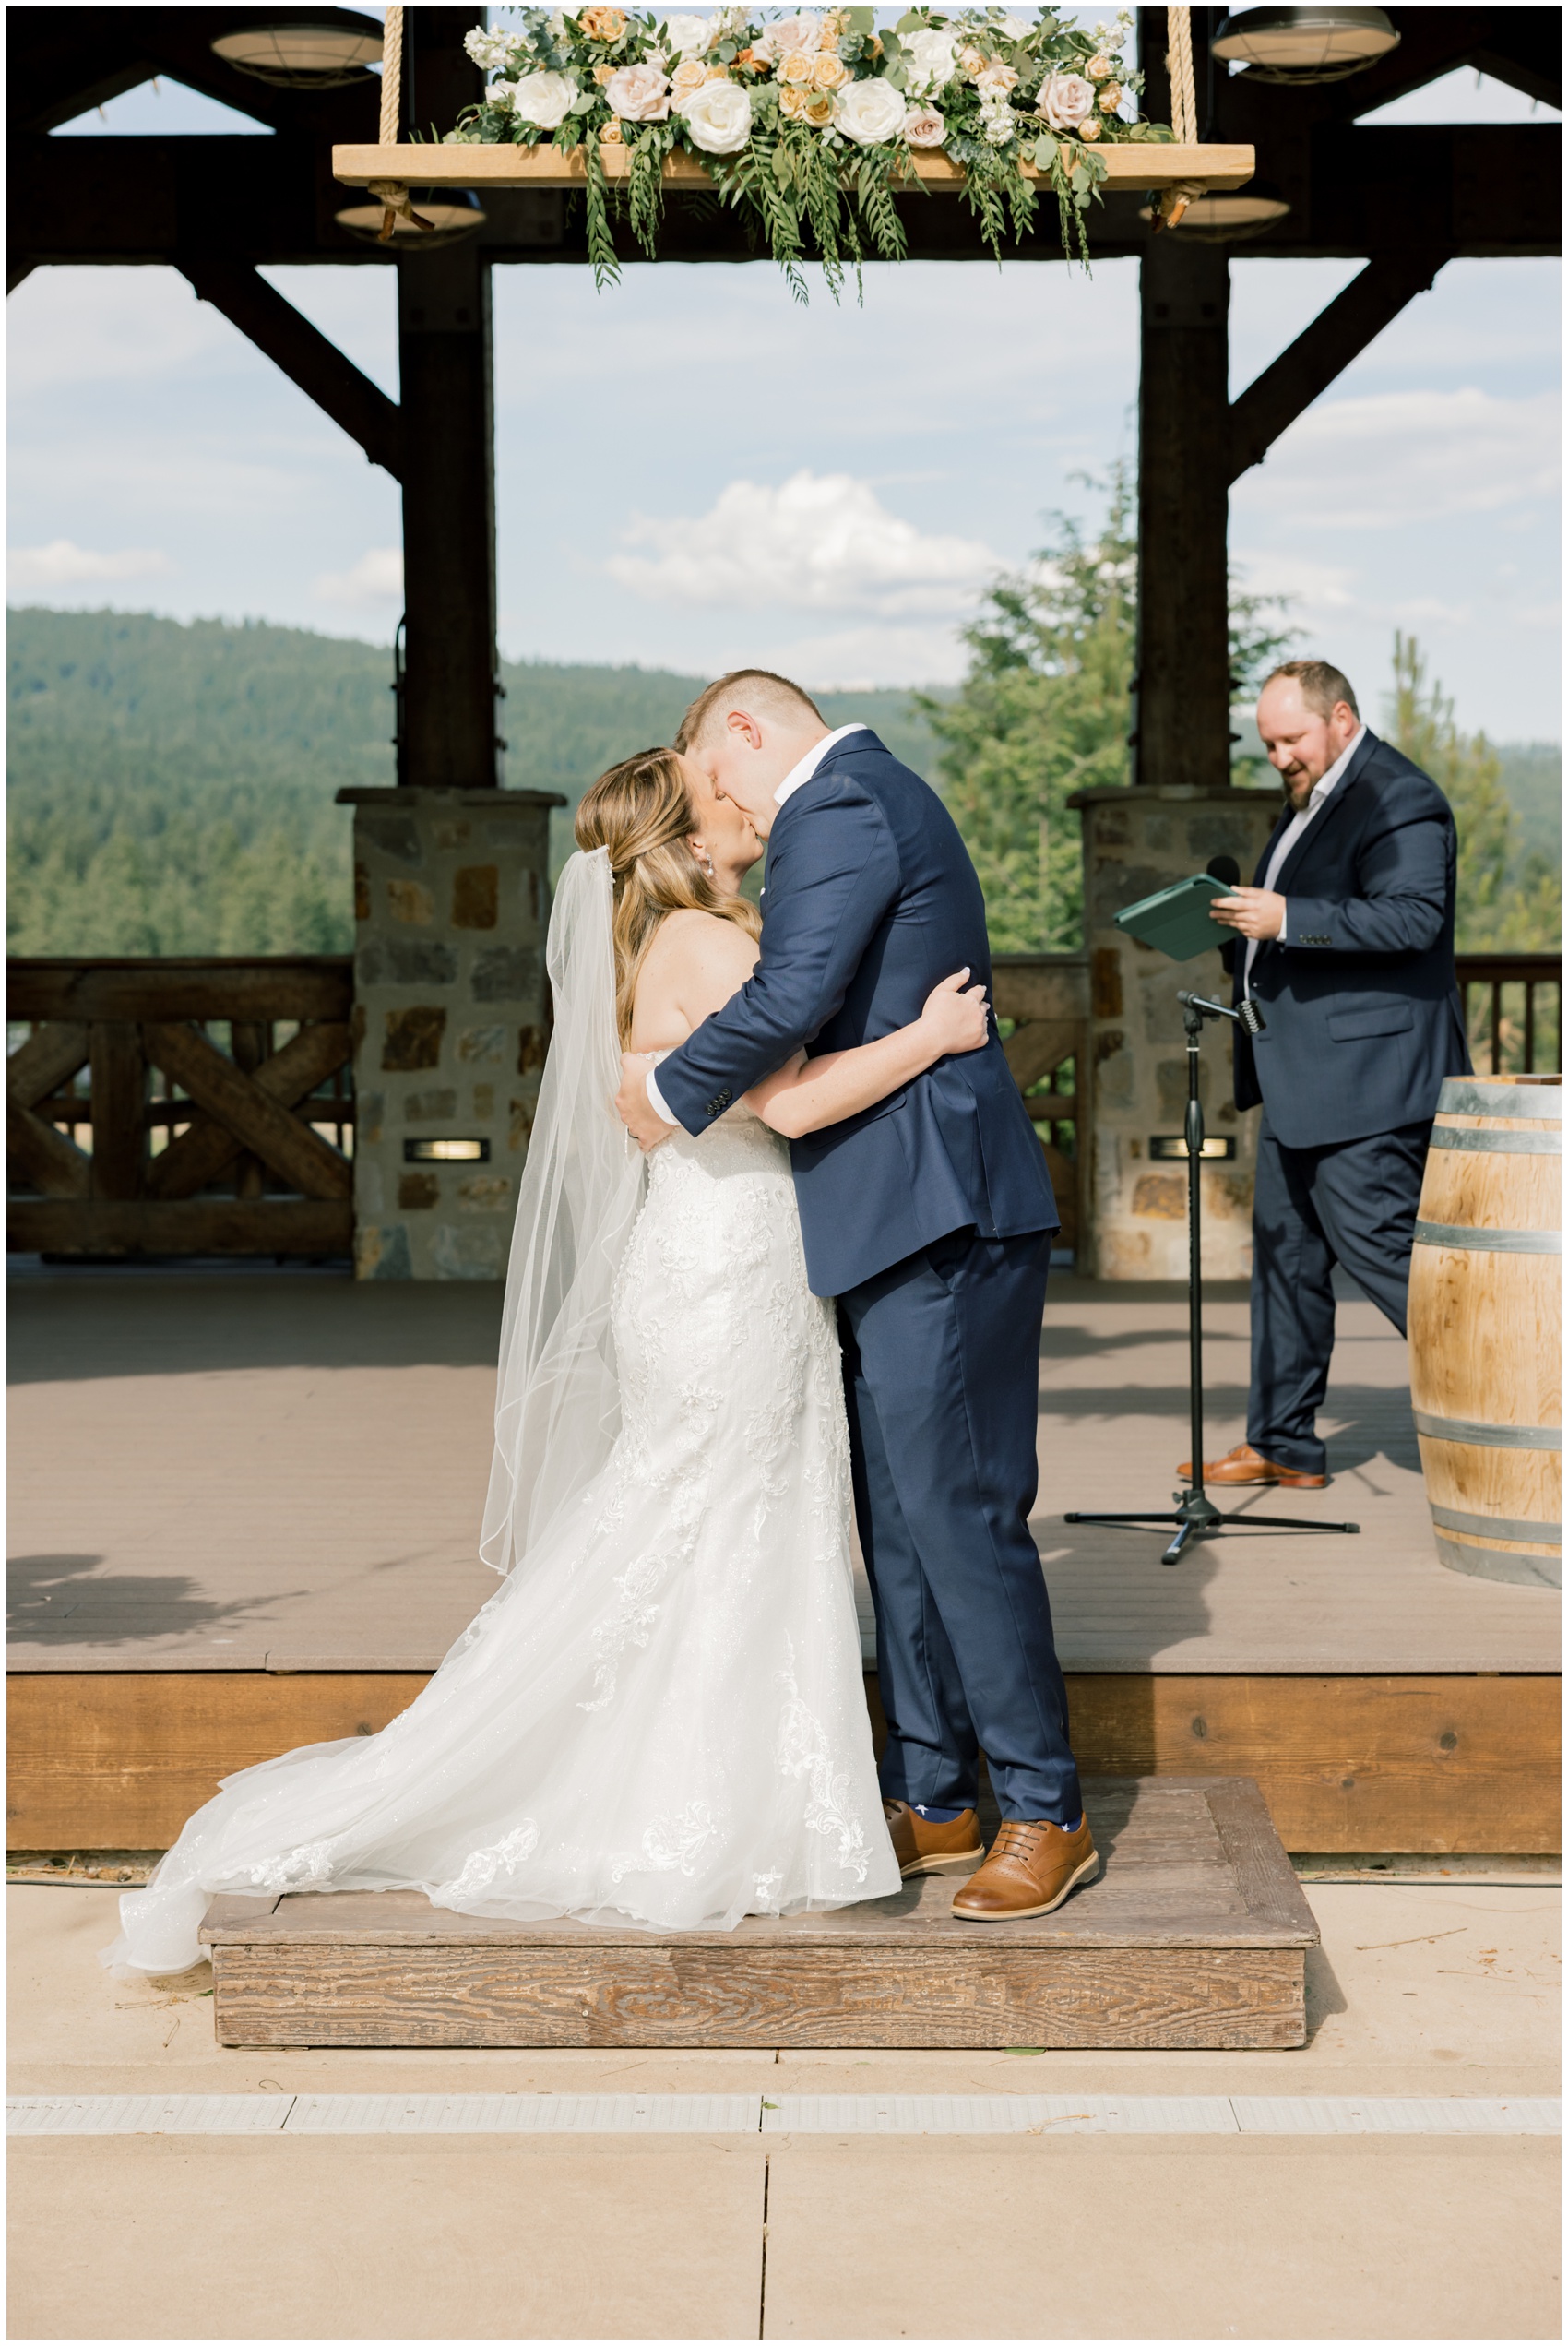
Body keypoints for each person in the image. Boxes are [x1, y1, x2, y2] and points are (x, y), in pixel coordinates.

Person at [103, 747, 1001, 1975]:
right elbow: (788, 1106)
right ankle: (710, 1809)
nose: (747, 807)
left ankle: (728, 1788)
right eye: (723, 801)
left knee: (701, 1521)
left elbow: (663, 1100)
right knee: (727, 1520)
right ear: (688, 842)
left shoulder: (653, 944)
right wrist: (934, 1032)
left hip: (696, 1266)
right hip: (728, 1273)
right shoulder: (712, 945)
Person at [615, 671, 1096, 1925]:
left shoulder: (840, 803)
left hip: (940, 1206)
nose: (733, 809)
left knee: (960, 1511)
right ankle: (936, 1790)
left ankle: (1046, 1806)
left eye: (720, 777)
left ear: (747, 732)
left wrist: (663, 1098)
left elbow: (790, 999)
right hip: (886, 1215)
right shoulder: (850, 803)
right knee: (897, 1518)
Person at [1189, 658, 1471, 1489]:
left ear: (1342, 717)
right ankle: (1281, 1441)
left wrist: (1287, 917)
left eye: (1291, 738)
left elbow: (1416, 917)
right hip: (1300, 1079)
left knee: (1391, 1261)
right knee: (1285, 1260)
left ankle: (1529, 1395)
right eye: (1268, 742)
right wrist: (1235, 920)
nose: (1278, 756)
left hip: (1369, 1084)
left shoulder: (1397, 795)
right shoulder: (1312, 800)